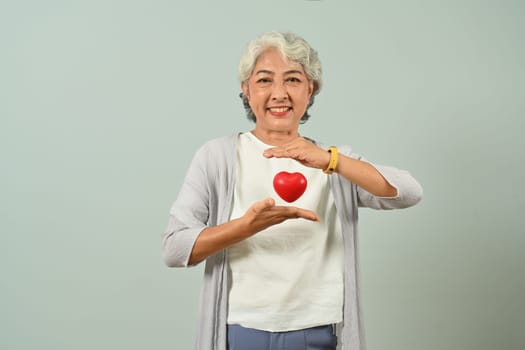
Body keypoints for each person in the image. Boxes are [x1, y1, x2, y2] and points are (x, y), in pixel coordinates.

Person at [162, 31, 422, 350]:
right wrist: (246, 227)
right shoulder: (216, 157)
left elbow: (408, 192)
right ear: (246, 89)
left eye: (293, 80)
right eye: (264, 80)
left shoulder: (334, 163)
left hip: (319, 333)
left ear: (310, 89)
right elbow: (175, 249)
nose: (279, 93)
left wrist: (331, 160)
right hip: (240, 332)